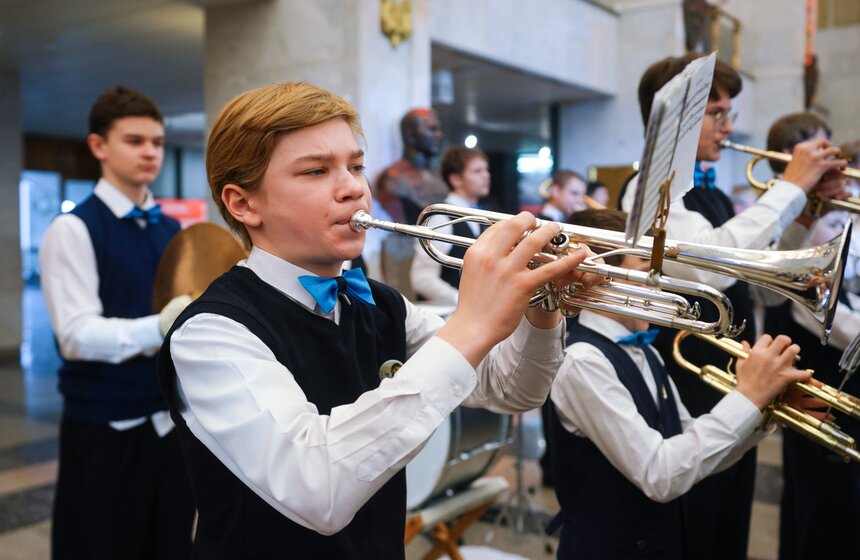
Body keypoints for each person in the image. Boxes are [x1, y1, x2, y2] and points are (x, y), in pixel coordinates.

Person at [157, 81, 600, 558]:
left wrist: (543, 305)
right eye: (315, 171)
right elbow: (317, 490)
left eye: (355, 165)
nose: (353, 188)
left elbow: (515, 390)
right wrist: (469, 324)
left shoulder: (381, 305)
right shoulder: (210, 333)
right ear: (244, 203)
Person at [621, 53, 847, 560]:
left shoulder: (716, 195)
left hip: (733, 385)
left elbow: (764, 288)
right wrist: (791, 186)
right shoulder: (650, 190)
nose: (728, 128)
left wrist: (806, 217)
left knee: (728, 537)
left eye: (731, 115)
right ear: (678, 117)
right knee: (699, 533)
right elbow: (709, 268)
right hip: (688, 392)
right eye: (716, 113)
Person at [546, 208, 818, 560]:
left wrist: (763, 411)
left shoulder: (647, 354)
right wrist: (747, 397)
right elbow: (659, 474)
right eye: (646, 273)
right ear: (594, 277)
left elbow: (692, 454)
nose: (659, 286)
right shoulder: (582, 361)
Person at [39, 86, 194, 559]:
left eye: (157, 142)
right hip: (105, 426)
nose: (150, 152)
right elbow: (75, 335)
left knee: (169, 545)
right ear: (98, 146)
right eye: (134, 140)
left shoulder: (171, 229)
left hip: (169, 422)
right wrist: (158, 327)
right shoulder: (75, 228)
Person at [759, 112, 860, 560]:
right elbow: (787, 297)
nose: (834, 162)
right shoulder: (783, 217)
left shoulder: (840, 208)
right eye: (820, 152)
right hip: (820, 365)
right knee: (820, 498)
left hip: (843, 359)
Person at [373, 108, 448, 296]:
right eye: (431, 129)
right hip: (405, 255)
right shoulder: (393, 179)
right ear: (410, 135)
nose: (439, 135)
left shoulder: (438, 177)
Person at [410, 145, 490, 305]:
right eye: (477, 171)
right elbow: (421, 278)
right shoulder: (440, 218)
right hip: (445, 318)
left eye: (486, 169)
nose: (486, 175)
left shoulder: (480, 217)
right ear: (455, 179)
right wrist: (460, 299)